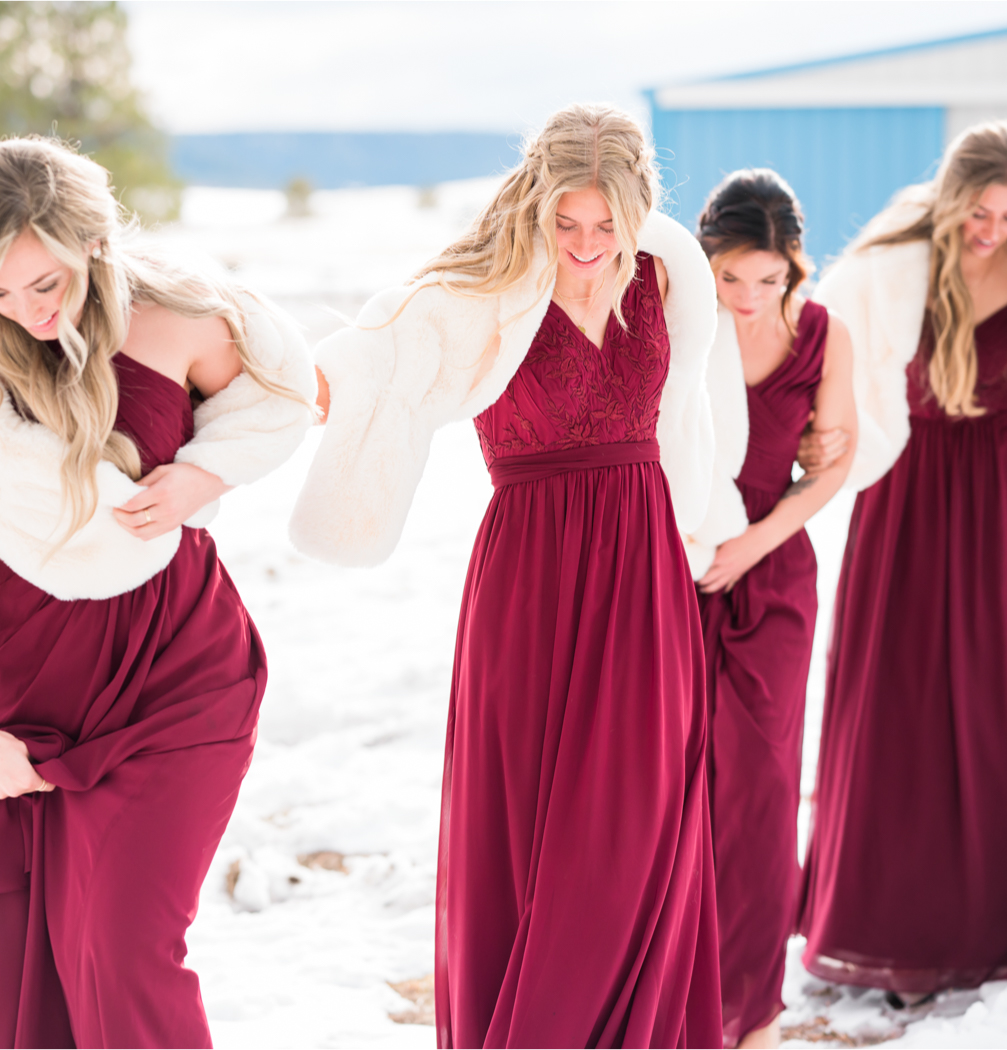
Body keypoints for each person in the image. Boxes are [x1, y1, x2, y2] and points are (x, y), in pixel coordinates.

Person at [291, 104, 724, 1048]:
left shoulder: (665, 276)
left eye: (606, 225)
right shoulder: (478, 289)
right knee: (529, 825)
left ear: (637, 210)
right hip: (530, 573)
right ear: (536, 205)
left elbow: (697, 410)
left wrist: (711, 528)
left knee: (637, 819)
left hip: (645, 570)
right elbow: (367, 370)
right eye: (566, 223)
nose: (585, 245)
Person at [0, 137, 316, 1048]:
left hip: (181, 671)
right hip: (30, 686)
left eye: (46, 285)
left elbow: (281, 405)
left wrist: (203, 479)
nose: (26, 312)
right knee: (34, 951)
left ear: (91, 243)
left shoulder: (183, 321)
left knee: (126, 952)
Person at [796, 121, 1007, 1008]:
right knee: (898, 691)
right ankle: (894, 910)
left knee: (1002, 692)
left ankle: (998, 909)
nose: (992, 229)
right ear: (950, 200)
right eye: (979, 212)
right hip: (906, 496)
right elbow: (826, 357)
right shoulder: (888, 268)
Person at [686, 170, 855, 1049]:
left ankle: (752, 1006)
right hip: (674, 574)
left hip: (770, 577)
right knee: (673, 787)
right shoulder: (675, 331)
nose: (750, 299)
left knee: (757, 788)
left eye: (770, 278)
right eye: (731, 279)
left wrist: (754, 543)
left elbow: (832, 466)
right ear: (704, 265)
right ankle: (670, 989)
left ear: (795, 268)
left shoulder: (823, 335)